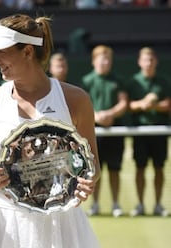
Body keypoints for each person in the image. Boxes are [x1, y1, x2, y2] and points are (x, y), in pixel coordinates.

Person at [0, 14, 101, 247]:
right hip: (6, 224)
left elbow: (92, 164)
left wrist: (86, 180)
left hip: (63, 222)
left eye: (2, 52)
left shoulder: (76, 99)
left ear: (27, 51)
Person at [80, 45, 128, 217]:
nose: (104, 62)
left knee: (115, 169)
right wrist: (96, 116)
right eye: (101, 59)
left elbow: (123, 103)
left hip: (115, 130)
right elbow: (82, 106)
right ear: (94, 61)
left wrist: (110, 114)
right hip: (94, 132)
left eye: (107, 59)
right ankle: (95, 204)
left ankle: (116, 204)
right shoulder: (86, 81)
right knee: (94, 169)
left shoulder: (118, 79)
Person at [128, 47, 170, 217]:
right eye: (146, 59)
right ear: (140, 62)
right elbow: (129, 105)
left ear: (156, 61)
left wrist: (153, 104)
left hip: (159, 131)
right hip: (140, 132)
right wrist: (142, 104)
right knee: (140, 168)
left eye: (152, 59)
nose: (149, 62)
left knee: (159, 168)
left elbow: (168, 104)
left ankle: (158, 205)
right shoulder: (133, 82)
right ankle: (140, 205)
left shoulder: (163, 81)